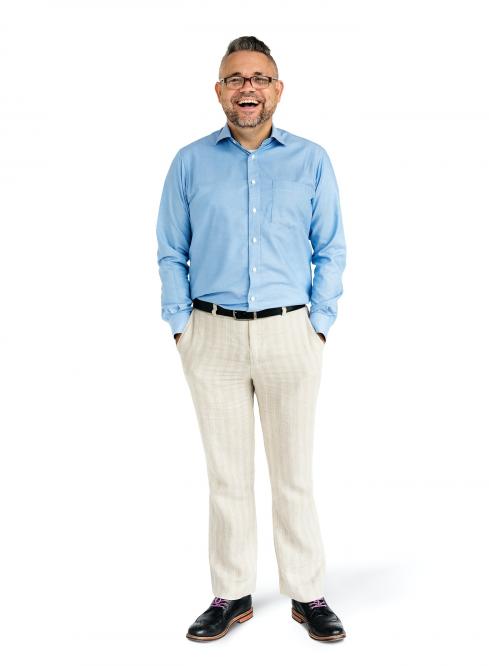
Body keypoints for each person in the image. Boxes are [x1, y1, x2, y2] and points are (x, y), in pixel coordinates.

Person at [155, 35, 347, 643]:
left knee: (294, 471)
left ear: (278, 89)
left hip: (291, 331)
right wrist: (181, 324)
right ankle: (231, 592)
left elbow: (331, 248)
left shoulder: (311, 160)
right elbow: (170, 249)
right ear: (219, 91)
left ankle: (307, 592)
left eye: (259, 77)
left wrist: (319, 322)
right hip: (210, 336)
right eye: (236, 78)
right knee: (227, 474)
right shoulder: (190, 162)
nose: (248, 88)